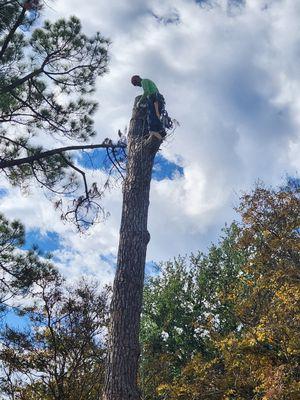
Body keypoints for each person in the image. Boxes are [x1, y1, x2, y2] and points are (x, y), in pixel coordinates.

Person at [131, 75, 166, 141]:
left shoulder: (144, 81)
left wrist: (139, 102)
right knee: (156, 116)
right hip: (158, 99)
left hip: (154, 98)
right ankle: (160, 132)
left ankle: (154, 132)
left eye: (136, 83)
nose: (138, 85)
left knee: (151, 117)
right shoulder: (149, 82)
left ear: (138, 79)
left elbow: (146, 92)